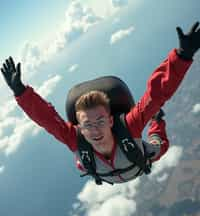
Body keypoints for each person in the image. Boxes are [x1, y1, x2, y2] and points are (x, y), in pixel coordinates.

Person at [1, 22, 200, 185]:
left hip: (140, 160)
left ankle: (158, 121)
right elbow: (47, 120)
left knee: (159, 144)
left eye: (100, 121)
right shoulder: (76, 139)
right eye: (87, 124)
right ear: (79, 128)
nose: (94, 130)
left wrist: (182, 56)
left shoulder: (128, 127)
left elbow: (156, 95)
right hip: (114, 170)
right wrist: (21, 92)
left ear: (111, 121)